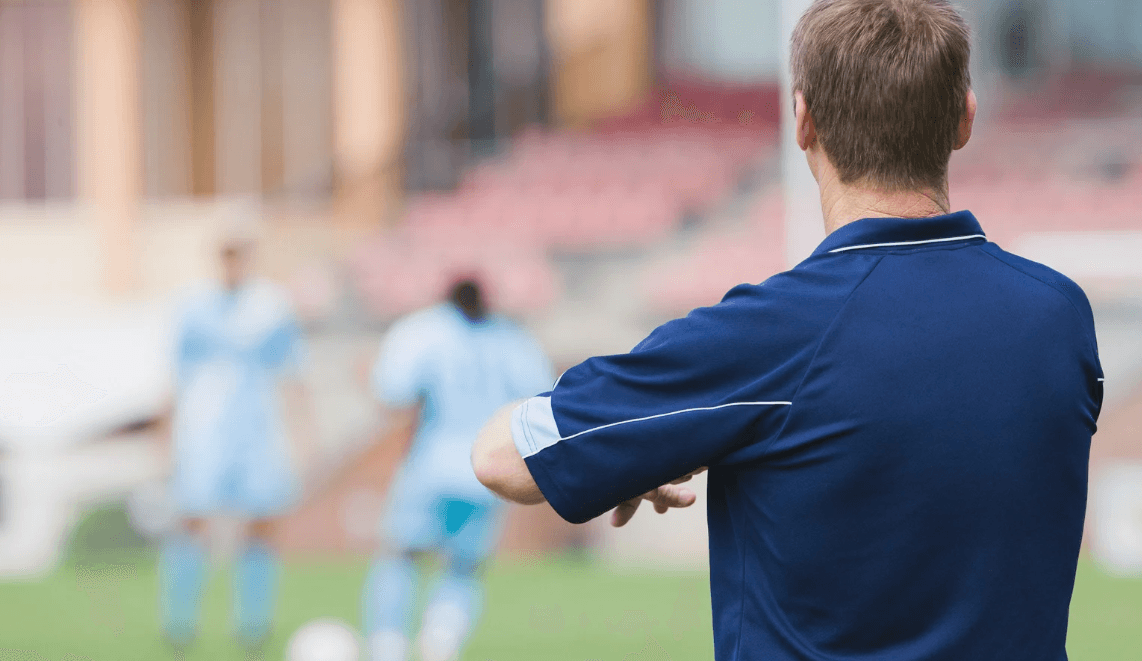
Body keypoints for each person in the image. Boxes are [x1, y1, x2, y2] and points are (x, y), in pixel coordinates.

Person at [472, 1, 1103, 660]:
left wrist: (653, 445)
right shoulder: (1060, 317)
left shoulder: (765, 338)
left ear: (802, 121)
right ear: (966, 118)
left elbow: (503, 454)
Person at [362, 277, 554, 661]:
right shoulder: (513, 339)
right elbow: (542, 401)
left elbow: (392, 392)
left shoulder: (424, 330)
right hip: (486, 471)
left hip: (429, 466)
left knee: (401, 554)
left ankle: (388, 645)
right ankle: (441, 644)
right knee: (464, 566)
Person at [160, 228, 316, 653]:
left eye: (238, 254)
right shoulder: (192, 307)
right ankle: (179, 622)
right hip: (204, 433)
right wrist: (165, 439)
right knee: (193, 522)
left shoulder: (271, 307)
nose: (231, 263)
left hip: (258, 434)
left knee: (262, 526)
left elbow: (292, 375)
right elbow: (173, 378)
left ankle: (253, 625)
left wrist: (304, 438)